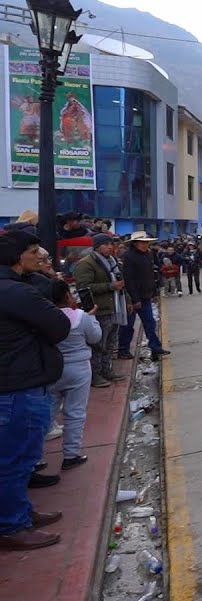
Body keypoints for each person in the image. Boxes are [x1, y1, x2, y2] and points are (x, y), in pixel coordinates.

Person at [0, 230, 72, 551]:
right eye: (32, 251)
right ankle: (12, 525)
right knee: (16, 460)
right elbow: (60, 325)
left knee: (19, 458)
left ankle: (21, 512)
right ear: (18, 258)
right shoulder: (15, 291)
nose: (38, 256)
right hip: (19, 387)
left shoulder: (16, 288)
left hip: (18, 382)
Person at [48, 281, 100, 471]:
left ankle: (36, 459)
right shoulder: (80, 316)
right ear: (66, 296)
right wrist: (92, 318)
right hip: (78, 368)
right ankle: (71, 455)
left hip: (52, 369)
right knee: (75, 413)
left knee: (47, 413)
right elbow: (95, 337)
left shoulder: (43, 317)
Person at [73, 233, 127, 386]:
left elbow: (121, 282)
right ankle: (95, 375)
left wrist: (127, 300)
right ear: (97, 246)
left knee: (111, 342)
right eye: (106, 244)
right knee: (98, 344)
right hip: (100, 309)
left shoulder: (113, 261)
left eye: (111, 244)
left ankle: (107, 370)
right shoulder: (87, 263)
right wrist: (110, 286)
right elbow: (83, 287)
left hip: (116, 306)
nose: (110, 247)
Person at [118, 231, 170, 360]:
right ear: (135, 243)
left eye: (146, 242)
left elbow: (151, 275)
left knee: (150, 323)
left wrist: (154, 291)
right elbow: (129, 280)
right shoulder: (129, 257)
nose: (145, 244)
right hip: (132, 298)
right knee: (128, 326)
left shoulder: (148, 254)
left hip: (146, 295)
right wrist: (134, 299)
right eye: (142, 242)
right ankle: (123, 349)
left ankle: (155, 348)